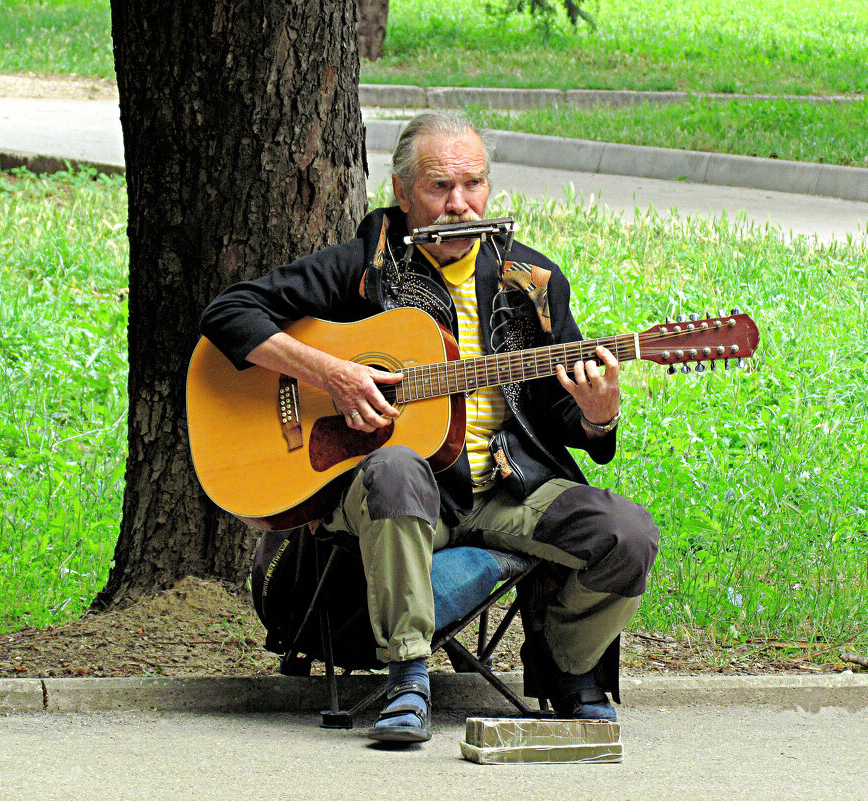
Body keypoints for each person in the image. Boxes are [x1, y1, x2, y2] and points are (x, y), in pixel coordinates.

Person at [200, 111, 659, 744]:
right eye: (440, 188)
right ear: (401, 191)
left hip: (510, 486)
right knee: (394, 467)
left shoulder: (533, 280)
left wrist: (598, 414)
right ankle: (407, 676)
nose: (459, 205)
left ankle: (566, 668)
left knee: (626, 535)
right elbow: (229, 313)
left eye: (473, 185)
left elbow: (561, 415)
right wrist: (331, 372)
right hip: (403, 488)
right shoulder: (366, 267)